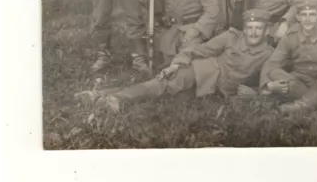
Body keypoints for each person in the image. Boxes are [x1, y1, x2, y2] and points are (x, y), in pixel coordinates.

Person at [74, 9, 275, 113]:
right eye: (250, 28)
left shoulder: (268, 54)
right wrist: (176, 64)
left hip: (212, 91)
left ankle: (99, 94)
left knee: (164, 94)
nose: (254, 32)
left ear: (266, 31)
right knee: (165, 84)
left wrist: (255, 93)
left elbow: (269, 84)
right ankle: (117, 99)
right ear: (245, 29)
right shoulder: (231, 37)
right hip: (202, 72)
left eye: (259, 28)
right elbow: (198, 50)